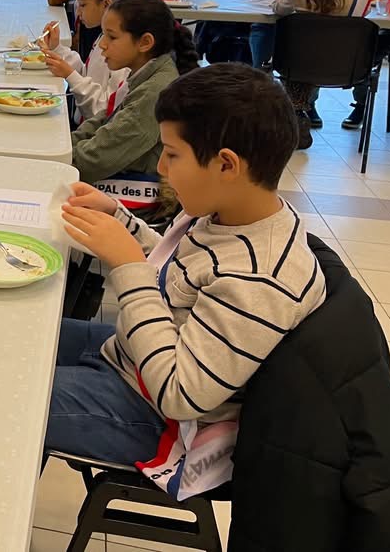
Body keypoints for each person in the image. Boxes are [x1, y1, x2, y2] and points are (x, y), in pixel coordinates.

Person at [47, 64, 325, 500]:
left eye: (172, 155)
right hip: (133, 358)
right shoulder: (234, 211)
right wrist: (119, 219)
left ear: (226, 164)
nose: (161, 167)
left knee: (4, 392)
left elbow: (179, 394)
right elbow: (178, 272)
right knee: (19, 333)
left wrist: (127, 266)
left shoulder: (260, 279)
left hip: (161, 420)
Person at [70, 0, 199, 214]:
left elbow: (95, 161)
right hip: (118, 178)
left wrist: (58, 160)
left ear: (145, 43)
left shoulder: (155, 92)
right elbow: (103, 121)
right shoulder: (145, 74)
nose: (102, 45)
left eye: (111, 37)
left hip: (136, 198)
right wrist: (61, 148)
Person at [272, 0, 371, 146]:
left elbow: (277, 7)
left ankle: (298, 111)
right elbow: (363, 4)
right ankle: (359, 107)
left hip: (299, 67)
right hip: (346, 68)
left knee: (303, 53)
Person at [40, 0, 136, 124]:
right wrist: (57, 49)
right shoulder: (103, 36)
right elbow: (87, 74)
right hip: (83, 126)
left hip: (92, 133)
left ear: (107, 4)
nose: (78, 12)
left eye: (83, 5)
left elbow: (103, 112)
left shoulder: (125, 54)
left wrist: (69, 75)